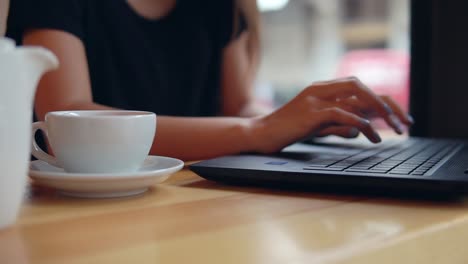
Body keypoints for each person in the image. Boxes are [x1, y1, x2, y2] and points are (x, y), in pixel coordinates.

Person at [7, 0, 412, 161]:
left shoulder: (220, 4)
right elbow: (68, 120)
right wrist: (258, 130)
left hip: (188, 196)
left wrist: (306, 118)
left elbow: (239, 107)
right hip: (75, 208)